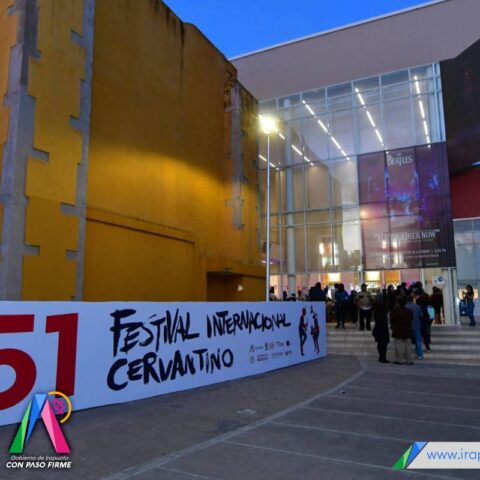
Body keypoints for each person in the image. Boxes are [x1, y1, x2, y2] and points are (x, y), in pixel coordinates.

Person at [390, 297, 414, 365]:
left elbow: (392, 320)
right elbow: (411, 319)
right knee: (408, 345)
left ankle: (399, 360)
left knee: (398, 345)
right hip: (407, 330)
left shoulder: (395, 311)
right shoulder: (409, 311)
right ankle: (409, 360)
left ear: (398, 303)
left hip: (398, 330)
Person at [372, 293, 390, 363]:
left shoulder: (376, 307)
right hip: (383, 328)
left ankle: (381, 357)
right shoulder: (384, 308)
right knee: (384, 344)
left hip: (378, 327)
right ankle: (383, 357)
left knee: (380, 343)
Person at [406, 292, 424, 360]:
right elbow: (421, 315)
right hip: (416, 325)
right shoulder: (417, 306)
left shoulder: (405, 307)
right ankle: (420, 355)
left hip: (408, 326)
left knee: (407, 341)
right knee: (418, 340)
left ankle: (408, 355)